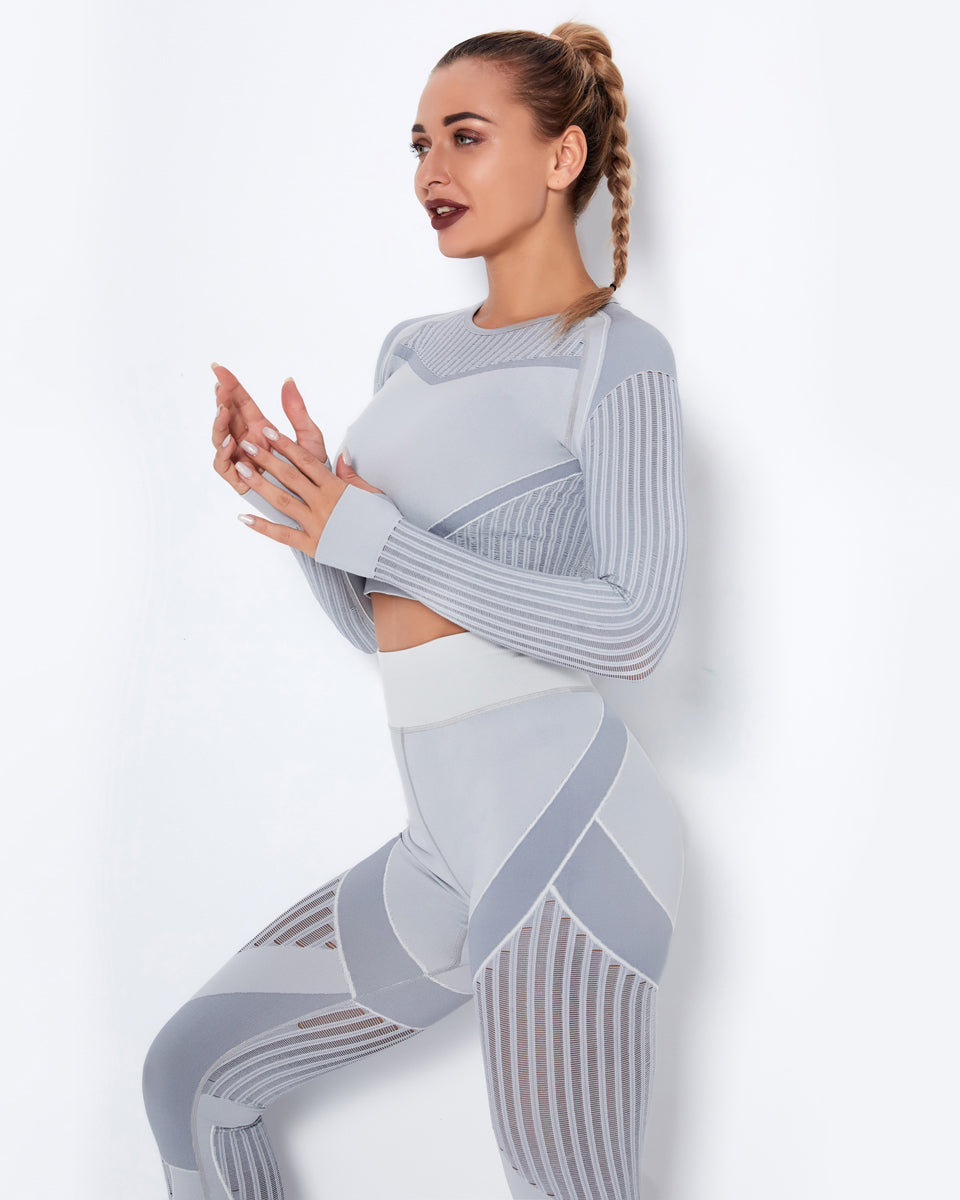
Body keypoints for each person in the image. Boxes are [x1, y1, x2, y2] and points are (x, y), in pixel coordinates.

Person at [142, 20, 688, 1200]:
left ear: (562, 157)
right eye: (420, 144)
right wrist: (298, 506)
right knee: (192, 1076)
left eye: (466, 138)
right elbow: (384, 629)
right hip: (441, 848)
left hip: (565, 841)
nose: (431, 171)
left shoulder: (616, 359)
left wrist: (375, 535)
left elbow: (637, 628)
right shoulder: (410, 352)